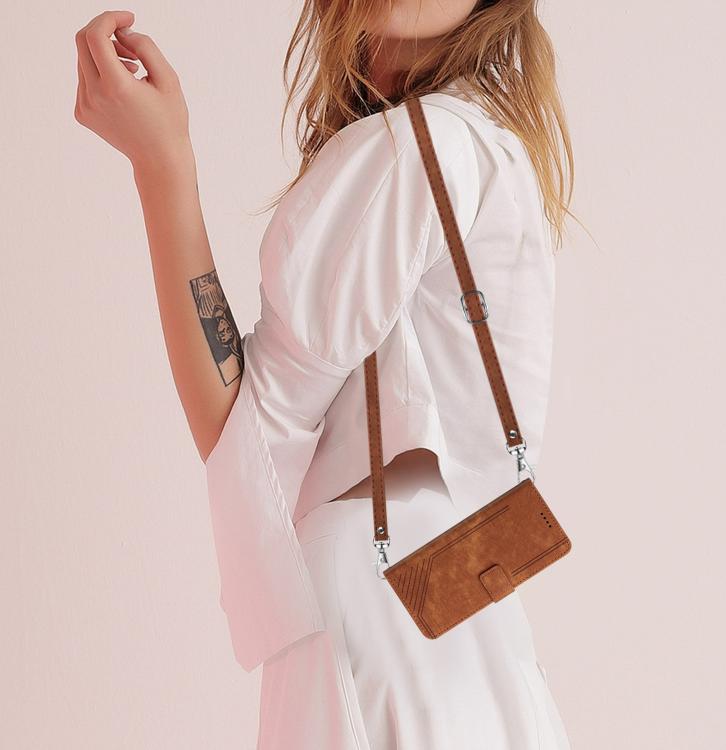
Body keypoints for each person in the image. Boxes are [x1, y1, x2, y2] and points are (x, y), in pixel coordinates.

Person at [74, 2, 575, 747]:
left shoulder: (414, 147)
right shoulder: (491, 140)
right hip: (469, 613)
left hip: (380, 605)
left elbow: (245, 432)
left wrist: (161, 160)